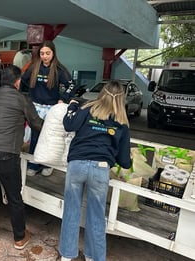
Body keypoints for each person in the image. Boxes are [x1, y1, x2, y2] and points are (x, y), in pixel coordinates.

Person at [58, 80, 132, 261]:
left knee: (71, 211)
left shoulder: (86, 108)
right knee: (96, 216)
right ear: (122, 98)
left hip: (77, 164)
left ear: (102, 93)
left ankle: (67, 256)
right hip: (101, 170)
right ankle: (93, 257)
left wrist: (73, 106)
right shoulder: (122, 122)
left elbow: (69, 124)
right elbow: (124, 161)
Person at [0, 65, 43, 250]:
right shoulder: (21, 98)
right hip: (6, 155)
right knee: (14, 197)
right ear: (17, 81)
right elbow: (36, 124)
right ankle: (20, 238)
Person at [20, 40, 75, 177]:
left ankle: (48, 165)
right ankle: (33, 164)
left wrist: (64, 98)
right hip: (35, 108)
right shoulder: (33, 67)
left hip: (51, 109)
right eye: (42, 53)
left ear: (53, 53)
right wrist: (23, 96)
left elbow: (72, 85)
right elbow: (23, 80)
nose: (45, 56)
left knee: (50, 138)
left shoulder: (59, 70)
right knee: (35, 137)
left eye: (48, 53)